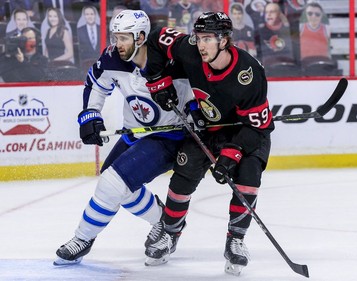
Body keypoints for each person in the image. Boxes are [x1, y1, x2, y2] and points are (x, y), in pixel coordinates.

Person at [53, 9, 193, 266]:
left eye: (123, 38)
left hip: (169, 138)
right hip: (135, 133)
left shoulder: (172, 60)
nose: (118, 44)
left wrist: (199, 114)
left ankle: (82, 239)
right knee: (115, 187)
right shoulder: (113, 58)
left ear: (140, 37)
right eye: (115, 37)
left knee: (112, 184)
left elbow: (201, 87)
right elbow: (96, 82)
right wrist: (90, 114)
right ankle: (165, 220)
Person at [143, 11, 274, 276]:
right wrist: (158, 82)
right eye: (199, 37)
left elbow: (256, 126)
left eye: (208, 39)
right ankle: (170, 234)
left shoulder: (249, 72)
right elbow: (156, 38)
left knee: (247, 178)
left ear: (224, 40)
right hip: (207, 126)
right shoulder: (190, 49)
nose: (201, 44)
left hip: (244, 133)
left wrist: (230, 156)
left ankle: (236, 240)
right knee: (182, 178)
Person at [257, 2, 296, 69]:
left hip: (288, 68)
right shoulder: (260, 31)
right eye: (266, 12)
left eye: (272, 12)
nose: (268, 14)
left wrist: (287, 27)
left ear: (279, 14)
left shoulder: (289, 29)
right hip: (268, 71)